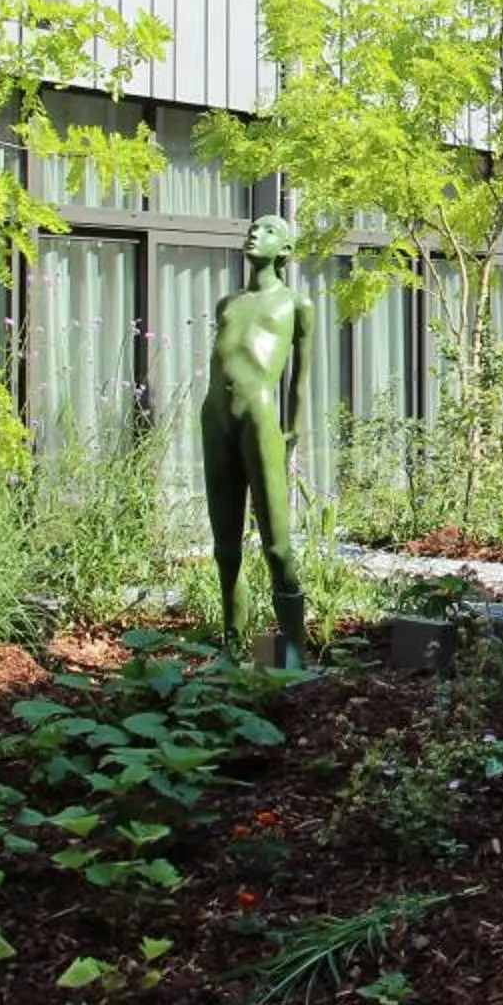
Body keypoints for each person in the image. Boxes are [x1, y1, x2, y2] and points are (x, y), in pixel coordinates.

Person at [201, 213, 313, 666]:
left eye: (268, 231)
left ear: (284, 251)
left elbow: (300, 378)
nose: (255, 233)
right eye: (253, 228)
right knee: (225, 546)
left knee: (276, 543)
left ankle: (293, 652)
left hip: (260, 417)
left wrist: (293, 428)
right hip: (215, 417)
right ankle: (231, 644)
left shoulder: (295, 305)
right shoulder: (227, 303)